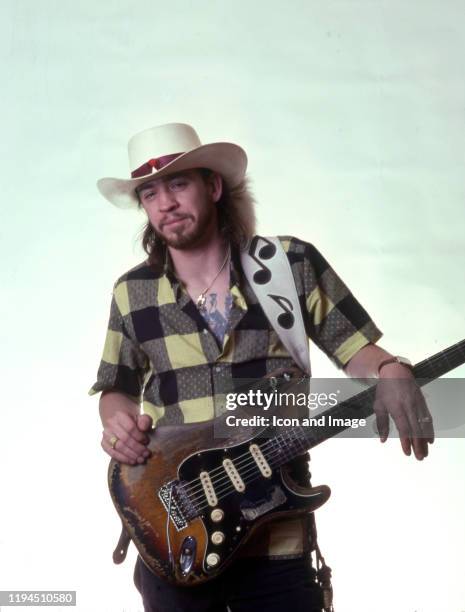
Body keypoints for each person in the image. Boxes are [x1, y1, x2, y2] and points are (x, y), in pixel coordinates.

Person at [89, 122, 434, 612]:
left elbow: (357, 349)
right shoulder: (133, 292)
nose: (164, 203)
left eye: (178, 184)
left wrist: (391, 370)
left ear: (213, 186)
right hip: (176, 533)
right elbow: (115, 387)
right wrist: (114, 419)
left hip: (276, 530)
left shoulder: (288, 265)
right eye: (149, 192)